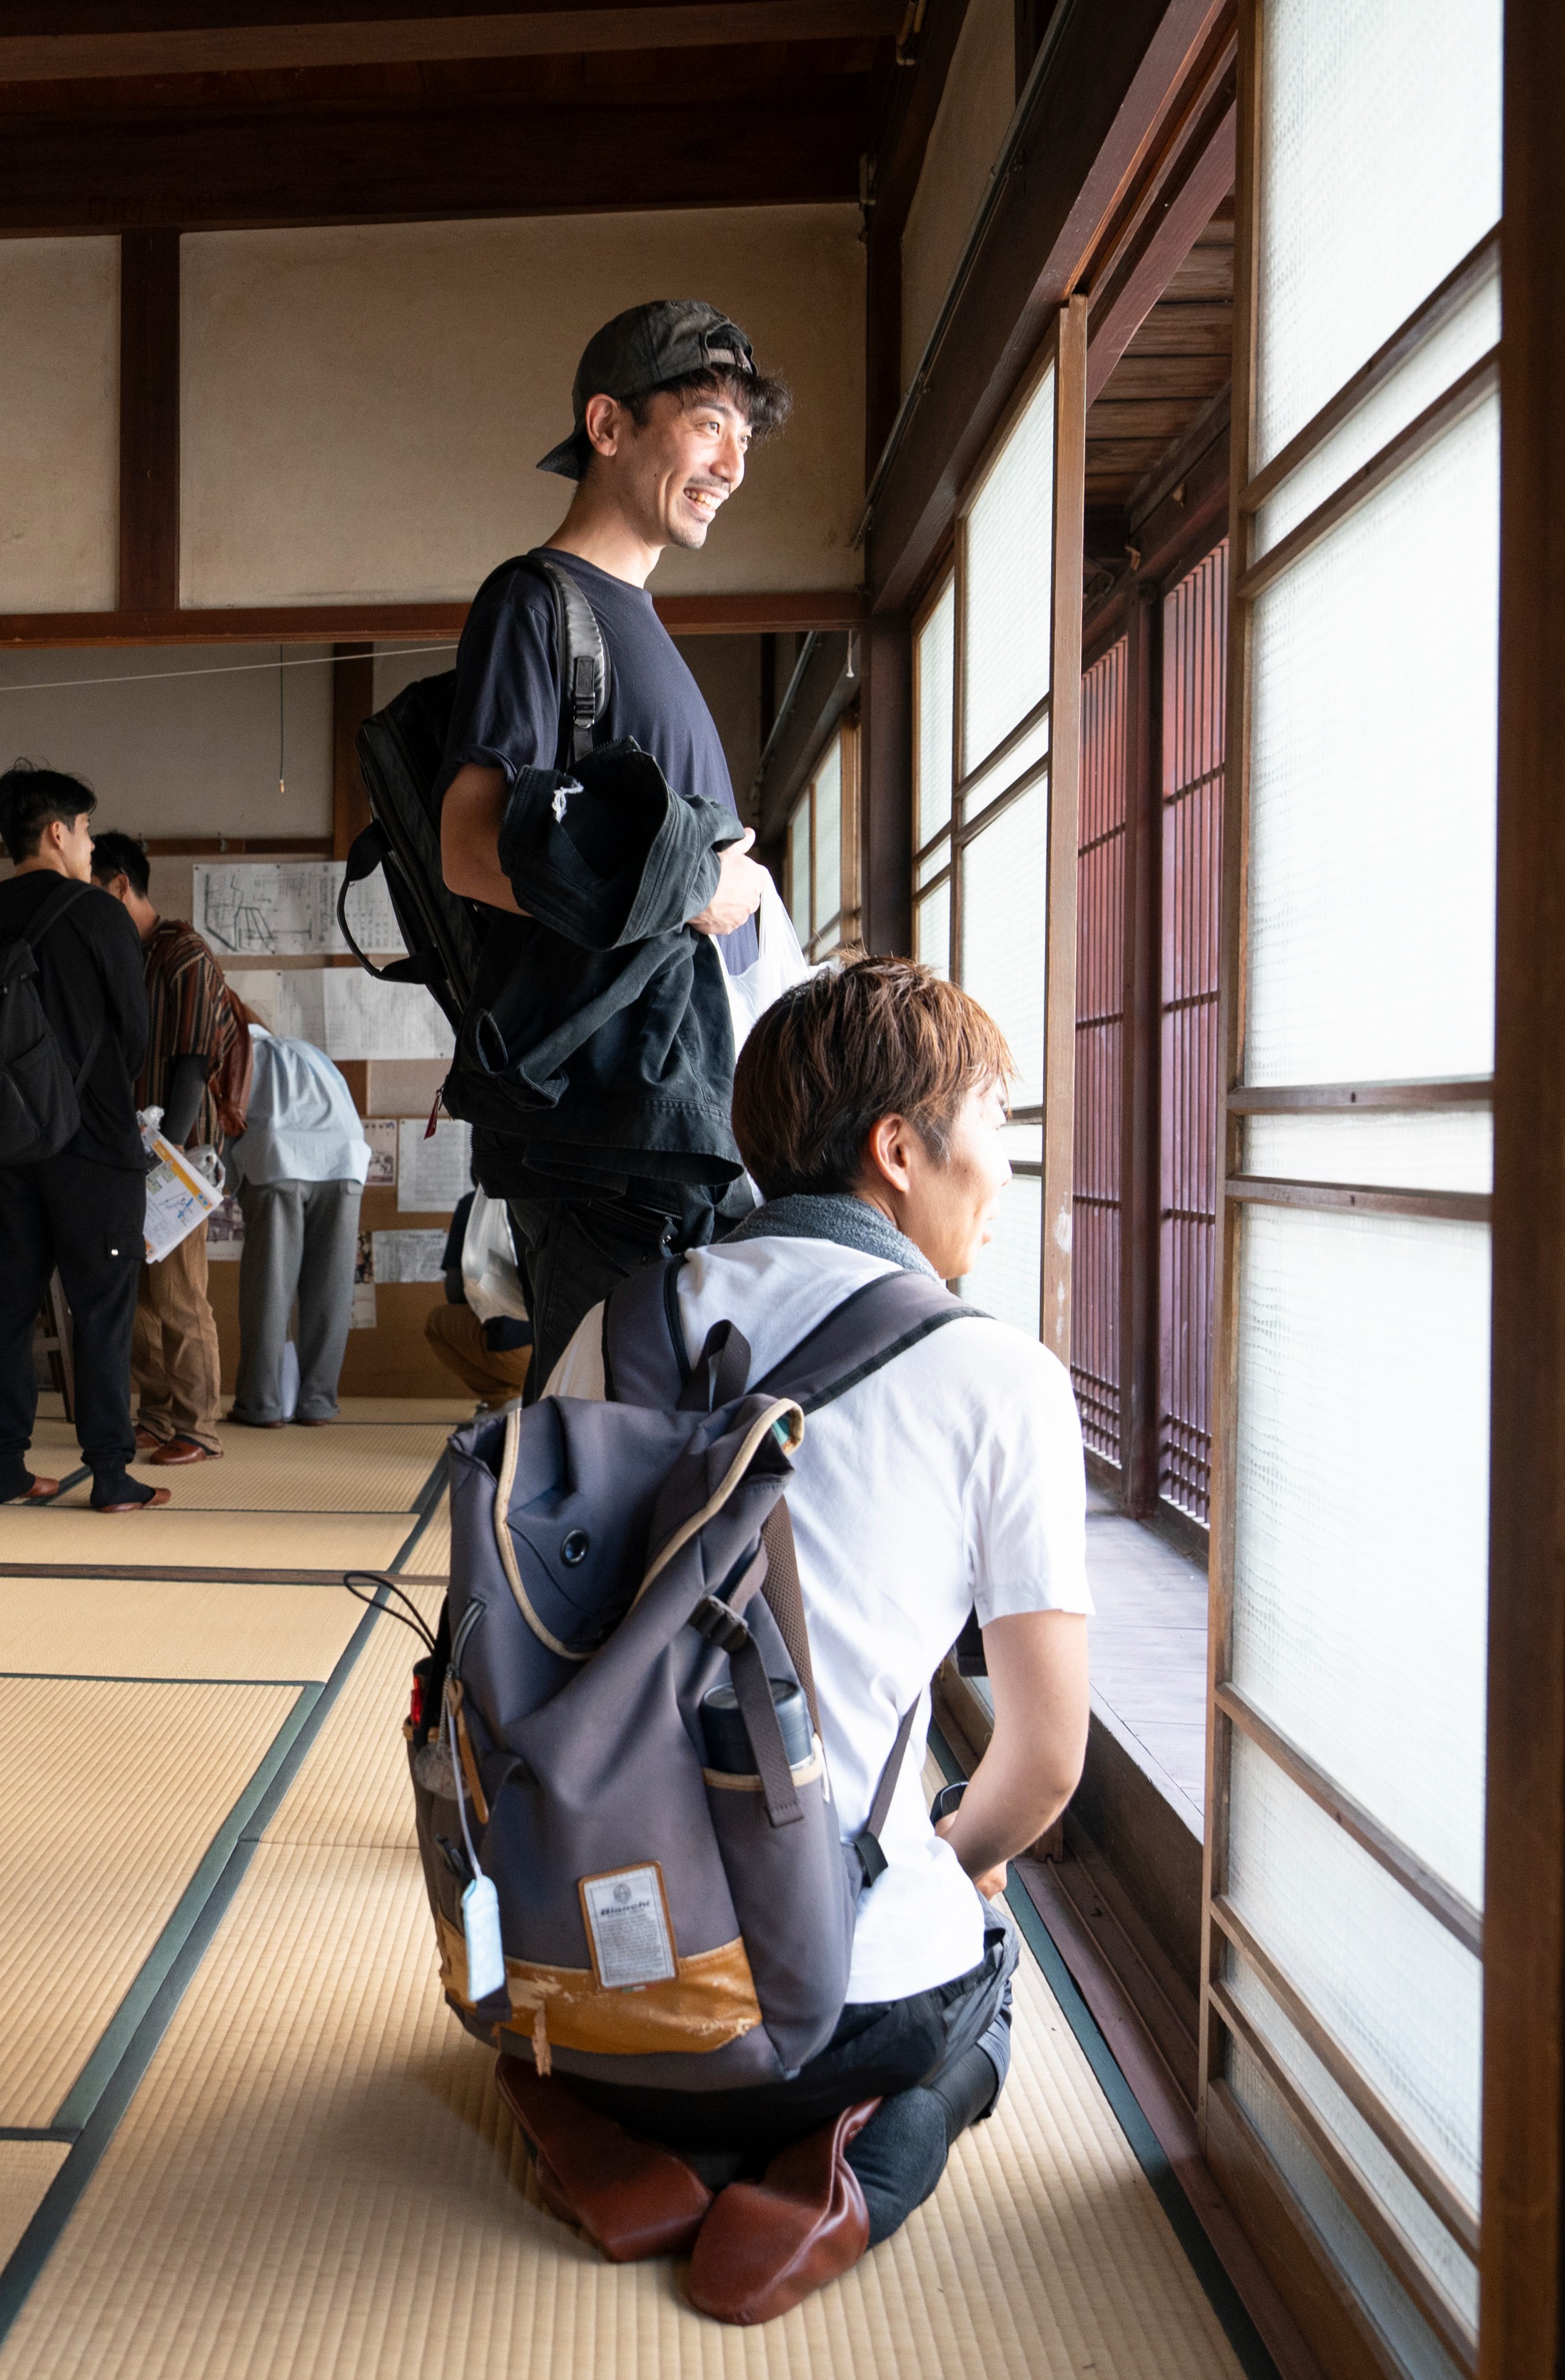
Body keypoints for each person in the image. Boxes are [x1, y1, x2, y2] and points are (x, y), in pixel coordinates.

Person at [533, 957, 1091, 2316]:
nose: (1004, 1180)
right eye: (995, 1132)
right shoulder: (999, 1376)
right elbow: (1049, 1762)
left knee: (585, 2036)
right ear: (899, 1149)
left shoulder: (619, 1322)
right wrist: (955, 1860)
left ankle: (608, 2134)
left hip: (586, 1982)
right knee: (990, 1954)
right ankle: (843, 2173)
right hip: (835, 2005)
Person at [435, 298, 787, 1392]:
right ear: (609, 425)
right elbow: (471, 849)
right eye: (708, 422)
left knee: (663, 1443)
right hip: (604, 1131)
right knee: (609, 1448)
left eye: (746, 435)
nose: (733, 460)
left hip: (671, 1111)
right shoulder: (537, 603)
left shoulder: (634, 617)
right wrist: (703, 885)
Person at [0, 768, 168, 1512]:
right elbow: (133, 1037)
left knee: (7, 1306)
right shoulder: (98, 916)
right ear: (57, 831)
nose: (86, 845)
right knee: (100, 1307)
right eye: (82, 830)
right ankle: (110, 1473)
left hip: (7, 1144)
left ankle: (6, 1467)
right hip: (92, 1143)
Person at [90, 831, 252, 1465]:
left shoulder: (184, 955)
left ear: (121, 884)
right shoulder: (126, 955)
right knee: (138, 1292)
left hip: (176, 1151)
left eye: (95, 892)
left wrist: (171, 1156)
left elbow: (191, 1064)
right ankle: (156, 1414)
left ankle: (197, 1425)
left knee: (180, 1293)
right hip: (132, 1146)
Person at [224, 1017, 368, 1427]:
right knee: (332, 1293)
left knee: (269, 1288)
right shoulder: (310, 1053)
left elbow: (228, 1120)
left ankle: (261, 1405)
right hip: (345, 1163)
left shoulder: (241, 1053)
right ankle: (318, 1404)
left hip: (280, 1163)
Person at [424, 1185, 533, 1410]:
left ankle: (505, 1400)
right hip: (586, 1354)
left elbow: (455, 1291)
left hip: (522, 1350)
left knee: (438, 1322)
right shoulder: (573, 1199)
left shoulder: (474, 1204)